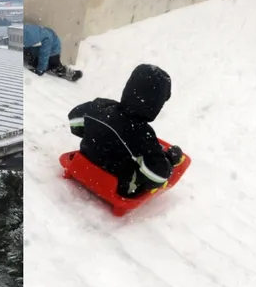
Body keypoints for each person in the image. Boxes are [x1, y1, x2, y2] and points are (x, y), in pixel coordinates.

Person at [67, 64, 184, 198]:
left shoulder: (101, 107)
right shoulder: (142, 135)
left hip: (82, 166)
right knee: (144, 170)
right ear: (155, 104)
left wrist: (99, 134)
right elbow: (157, 176)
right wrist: (169, 159)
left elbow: (74, 122)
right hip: (117, 187)